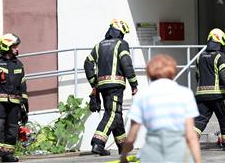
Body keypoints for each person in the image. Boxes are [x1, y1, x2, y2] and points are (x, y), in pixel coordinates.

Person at [120, 54, 201, 163]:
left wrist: (123, 157)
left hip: (152, 154)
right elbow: (191, 135)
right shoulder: (185, 94)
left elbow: (131, 136)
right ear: (172, 71)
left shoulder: (142, 96)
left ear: (149, 72)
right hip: (179, 153)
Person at [84, 19, 138, 156]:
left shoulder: (99, 46)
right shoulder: (121, 44)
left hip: (102, 85)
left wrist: (93, 82)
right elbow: (126, 63)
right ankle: (98, 143)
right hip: (116, 86)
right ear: (119, 32)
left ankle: (123, 146)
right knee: (112, 114)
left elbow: (88, 63)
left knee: (116, 114)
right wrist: (134, 83)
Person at [0, 33, 29, 162]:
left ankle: (8, 154)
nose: (16, 49)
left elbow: (23, 85)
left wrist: (25, 104)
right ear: (6, 47)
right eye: (14, 46)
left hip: (14, 102)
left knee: (12, 127)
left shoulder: (18, 64)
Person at [194, 28, 225, 151]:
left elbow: (197, 76)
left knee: (199, 120)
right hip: (219, 96)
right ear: (220, 42)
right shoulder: (220, 57)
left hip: (202, 95)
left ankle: (190, 141)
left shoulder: (200, 57)